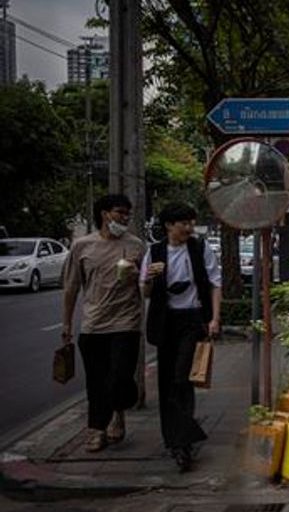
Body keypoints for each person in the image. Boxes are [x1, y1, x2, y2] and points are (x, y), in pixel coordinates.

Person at [140, 203, 222, 472]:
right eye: (182, 223)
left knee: (181, 377)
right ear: (168, 226)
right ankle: (176, 439)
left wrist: (215, 319)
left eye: (190, 222)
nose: (188, 228)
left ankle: (183, 440)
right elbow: (146, 293)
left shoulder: (199, 248)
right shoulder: (154, 252)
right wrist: (150, 279)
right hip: (165, 321)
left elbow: (214, 282)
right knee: (168, 382)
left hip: (193, 319)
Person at [62, 194, 146, 452]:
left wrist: (139, 277)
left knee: (120, 376)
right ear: (104, 214)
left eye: (127, 214)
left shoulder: (136, 246)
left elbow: (148, 287)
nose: (124, 218)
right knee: (96, 380)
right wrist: (66, 324)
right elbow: (71, 287)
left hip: (126, 322)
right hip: (94, 324)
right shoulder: (82, 246)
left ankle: (118, 412)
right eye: (119, 213)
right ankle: (97, 429)